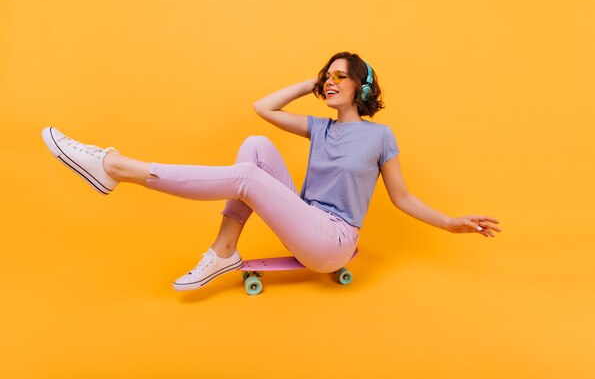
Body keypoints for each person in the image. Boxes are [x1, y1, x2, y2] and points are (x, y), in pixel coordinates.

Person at [41, 52, 501, 292]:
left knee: (249, 177)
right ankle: (223, 252)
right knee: (255, 147)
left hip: (334, 242)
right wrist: (311, 81)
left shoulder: (381, 137)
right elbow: (262, 109)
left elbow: (402, 198)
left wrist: (450, 222)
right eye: (329, 76)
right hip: (303, 220)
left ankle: (115, 167)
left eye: (341, 77)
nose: (331, 82)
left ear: (361, 86)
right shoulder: (319, 127)